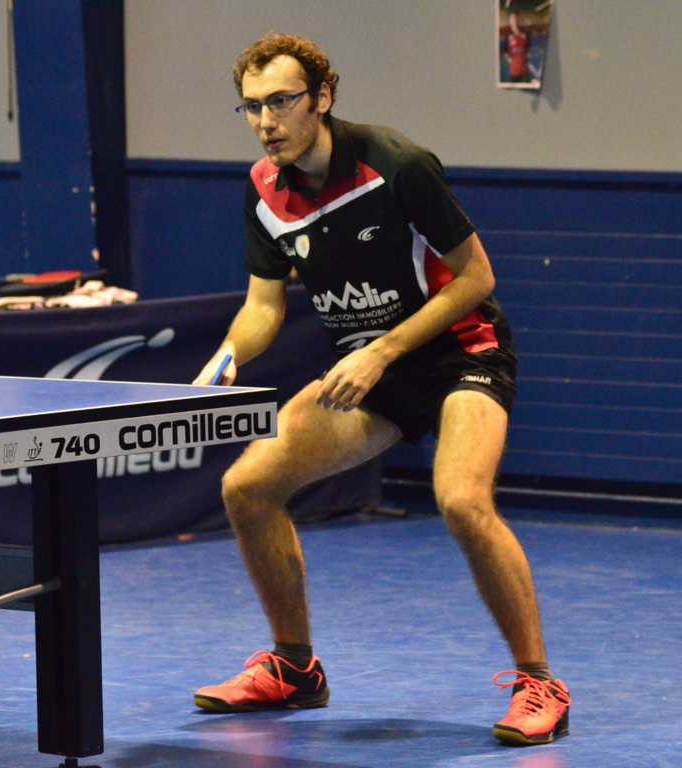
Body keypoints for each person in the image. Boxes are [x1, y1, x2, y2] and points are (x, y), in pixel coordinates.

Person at [192, 32, 570, 746]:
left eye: (282, 101)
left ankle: (539, 682)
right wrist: (229, 352)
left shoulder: (396, 165)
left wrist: (383, 350)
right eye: (252, 107)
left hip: (459, 354)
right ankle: (294, 668)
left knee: (461, 500)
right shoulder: (264, 188)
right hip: (367, 372)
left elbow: (478, 278)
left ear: (323, 97)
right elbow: (264, 306)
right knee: (248, 488)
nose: (266, 121)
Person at [504, 11, 531, 83]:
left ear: (518, 20)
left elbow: (528, 48)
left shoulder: (525, 34)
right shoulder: (507, 36)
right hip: (514, 71)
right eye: (512, 18)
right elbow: (505, 51)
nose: (514, 20)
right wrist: (510, 59)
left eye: (516, 18)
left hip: (525, 71)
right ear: (509, 21)